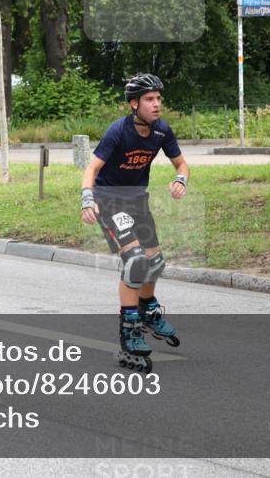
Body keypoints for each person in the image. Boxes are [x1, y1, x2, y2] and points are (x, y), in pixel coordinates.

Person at [80, 73, 189, 372]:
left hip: (137, 200)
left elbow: (181, 163)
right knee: (135, 261)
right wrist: (87, 199)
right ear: (134, 104)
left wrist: (181, 179)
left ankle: (147, 309)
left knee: (156, 263)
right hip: (110, 200)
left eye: (158, 99)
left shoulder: (161, 131)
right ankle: (129, 327)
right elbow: (92, 168)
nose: (156, 105)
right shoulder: (118, 131)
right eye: (149, 100)